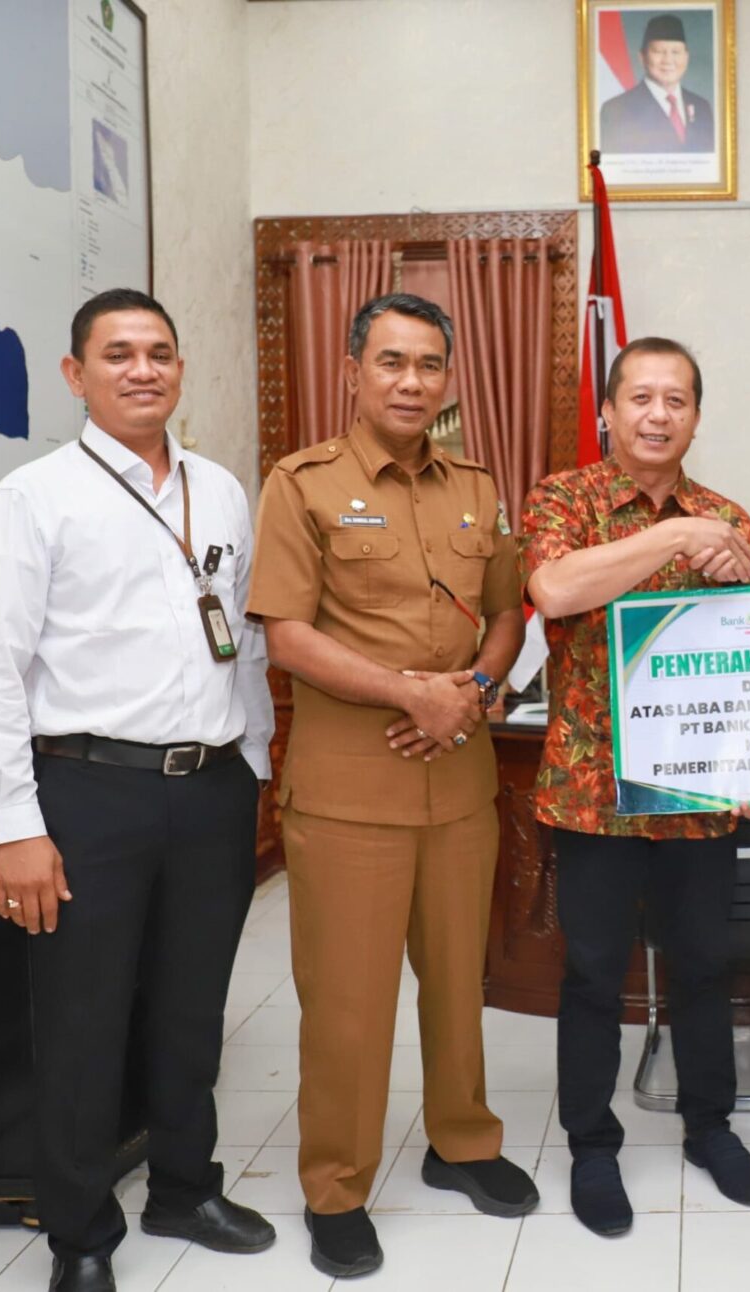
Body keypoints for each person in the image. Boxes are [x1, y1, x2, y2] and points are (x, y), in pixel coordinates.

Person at [0, 288, 276, 1292]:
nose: (144, 369)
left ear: (180, 368)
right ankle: (81, 1234)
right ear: (76, 374)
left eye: (160, 352)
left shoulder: (218, 490)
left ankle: (184, 1187)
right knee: (83, 1022)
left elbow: (245, 641)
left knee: (192, 1012)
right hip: (88, 793)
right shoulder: (33, 498)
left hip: (212, 788)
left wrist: (256, 765)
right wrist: (14, 826)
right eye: (119, 353)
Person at [246, 293, 537, 1278]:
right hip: (349, 791)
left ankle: (463, 1142)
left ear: (449, 378)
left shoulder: (477, 487)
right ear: (353, 371)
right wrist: (414, 693)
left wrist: (477, 689)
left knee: (459, 982)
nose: (412, 382)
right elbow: (287, 635)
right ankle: (336, 1184)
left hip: (458, 783)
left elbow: (508, 612)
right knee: (349, 1003)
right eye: (391, 362)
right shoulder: (302, 484)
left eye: (429, 365)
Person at [520, 337, 750, 1237]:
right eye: (641, 398)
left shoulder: (729, 518)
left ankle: (711, 1126)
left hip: (700, 793)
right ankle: (593, 1144)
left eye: (677, 400)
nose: (658, 415)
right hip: (594, 791)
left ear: (696, 417)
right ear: (608, 411)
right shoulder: (564, 499)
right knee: (593, 974)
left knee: (704, 966)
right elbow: (555, 590)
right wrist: (671, 536)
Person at [598, 13, 717, 154]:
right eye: (658, 51)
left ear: (686, 57)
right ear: (642, 57)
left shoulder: (702, 107)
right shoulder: (616, 110)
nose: (668, 60)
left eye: (676, 52)